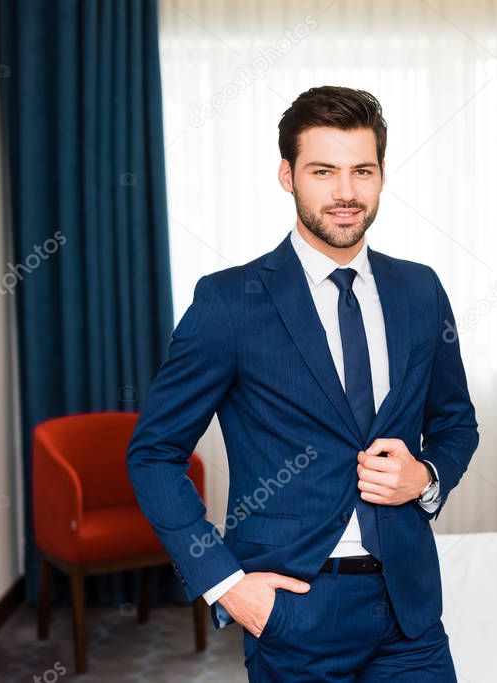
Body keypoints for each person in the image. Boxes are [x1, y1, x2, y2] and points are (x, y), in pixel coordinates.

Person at [127, 85, 478, 681]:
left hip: (411, 610)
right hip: (294, 612)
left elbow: (454, 422)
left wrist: (426, 477)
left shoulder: (421, 290)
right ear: (287, 175)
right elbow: (154, 454)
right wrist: (225, 583)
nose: (345, 193)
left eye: (361, 171)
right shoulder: (228, 302)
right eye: (323, 171)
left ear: (382, 175)